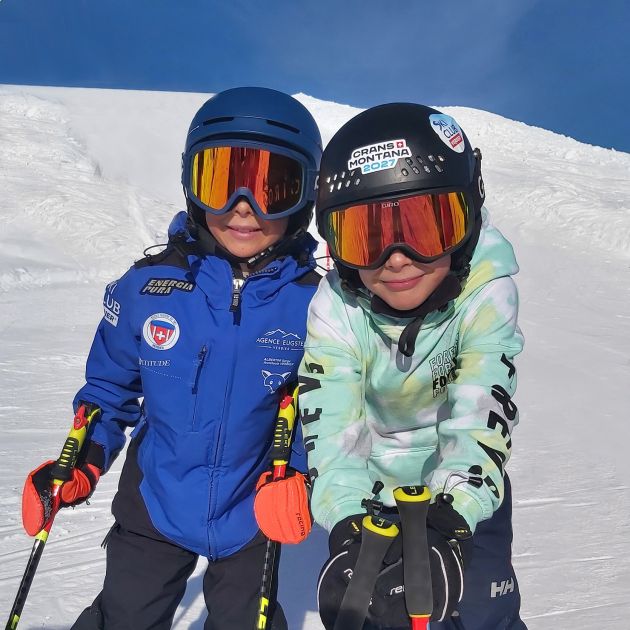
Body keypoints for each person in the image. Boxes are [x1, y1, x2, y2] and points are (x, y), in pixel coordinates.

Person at [21, 87, 322, 630]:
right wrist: (82, 458)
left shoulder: (317, 305)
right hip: (155, 501)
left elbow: (324, 408)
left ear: (303, 198)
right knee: (125, 617)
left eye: (272, 188)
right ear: (192, 185)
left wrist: (297, 473)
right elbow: (109, 391)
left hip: (254, 507)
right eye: (220, 181)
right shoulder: (148, 289)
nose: (243, 207)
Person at [299, 103, 526, 629]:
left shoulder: (484, 290)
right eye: (366, 237)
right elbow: (332, 426)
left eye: (426, 227)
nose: (397, 258)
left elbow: (482, 405)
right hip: (373, 494)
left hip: (465, 489)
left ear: (467, 221)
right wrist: (347, 522)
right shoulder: (337, 308)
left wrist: (452, 517)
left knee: (484, 614)